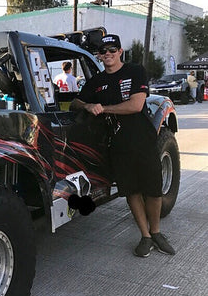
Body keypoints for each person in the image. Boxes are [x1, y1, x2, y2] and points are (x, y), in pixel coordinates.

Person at [71, 34, 175, 257]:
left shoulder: (135, 71)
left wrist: (103, 108)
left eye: (112, 50)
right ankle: (145, 236)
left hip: (142, 139)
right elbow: (75, 102)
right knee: (131, 191)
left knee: (154, 190)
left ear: (120, 52)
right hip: (116, 144)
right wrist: (88, 105)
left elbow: (136, 105)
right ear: (99, 55)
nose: (107, 54)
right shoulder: (96, 81)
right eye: (103, 51)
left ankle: (156, 232)